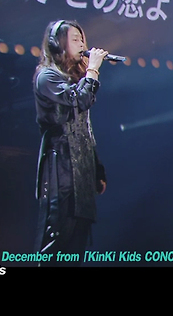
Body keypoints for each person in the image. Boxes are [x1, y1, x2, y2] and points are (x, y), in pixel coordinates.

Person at [32, 19, 109, 267]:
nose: (82, 44)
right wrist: (93, 70)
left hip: (82, 171)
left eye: (82, 39)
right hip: (61, 168)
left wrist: (97, 171)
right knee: (57, 239)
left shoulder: (76, 80)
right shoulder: (47, 77)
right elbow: (79, 100)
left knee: (76, 247)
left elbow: (86, 129)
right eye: (75, 39)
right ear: (57, 44)